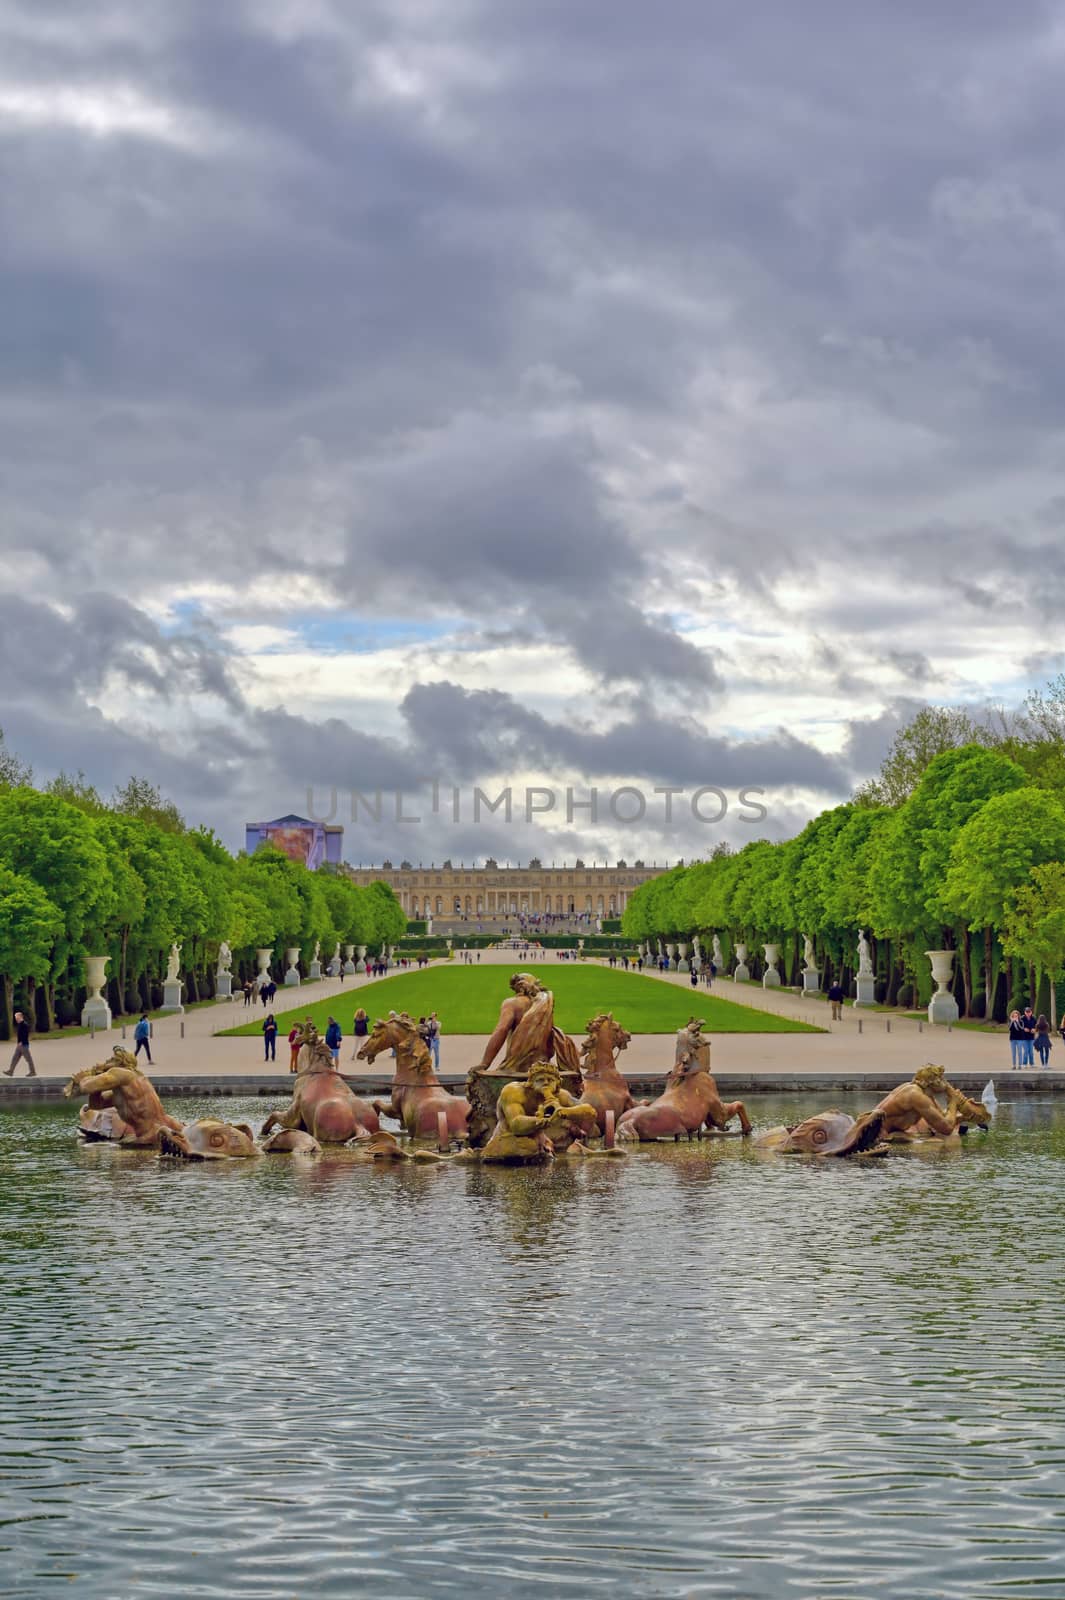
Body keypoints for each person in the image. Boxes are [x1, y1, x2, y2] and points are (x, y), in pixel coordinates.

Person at [5, 1009, 36, 1077]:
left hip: (24, 1045)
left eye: (17, 1018)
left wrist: (22, 1042)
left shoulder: (24, 1025)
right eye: (16, 1018)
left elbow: (25, 1035)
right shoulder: (20, 1025)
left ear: (21, 1017)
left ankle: (33, 1072)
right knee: (15, 1058)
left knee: (28, 1059)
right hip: (19, 1045)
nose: (16, 1019)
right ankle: (11, 1071)